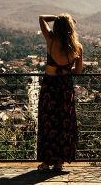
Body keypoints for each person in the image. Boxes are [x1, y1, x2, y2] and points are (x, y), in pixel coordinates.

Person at [37, 13, 83, 172]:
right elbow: (77, 72)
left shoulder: (50, 41)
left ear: (57, 26)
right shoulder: (77, 47)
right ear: (71, 27)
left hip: (50, 87)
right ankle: (59, 162)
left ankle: (46, 163)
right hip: (65, 88)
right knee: (64, 124)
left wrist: (57, 17)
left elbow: (41, 18)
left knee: (48, 124)